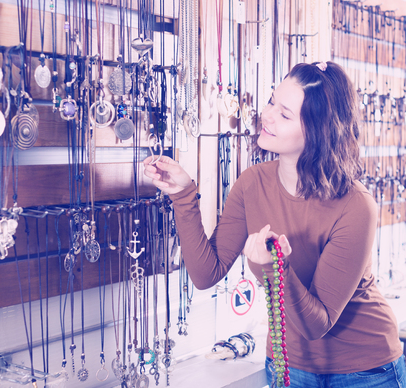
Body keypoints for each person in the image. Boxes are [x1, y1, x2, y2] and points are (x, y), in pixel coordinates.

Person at [143, 61, 406, 388]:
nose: (266, 116)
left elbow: (316, 325)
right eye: (271, 102)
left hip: (366, 370)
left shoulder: (355, 205)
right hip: (287, 367)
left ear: (318, 129)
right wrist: (182, 194)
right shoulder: (252, 183)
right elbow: (205, 273)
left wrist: (274, 270)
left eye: (284, 114)